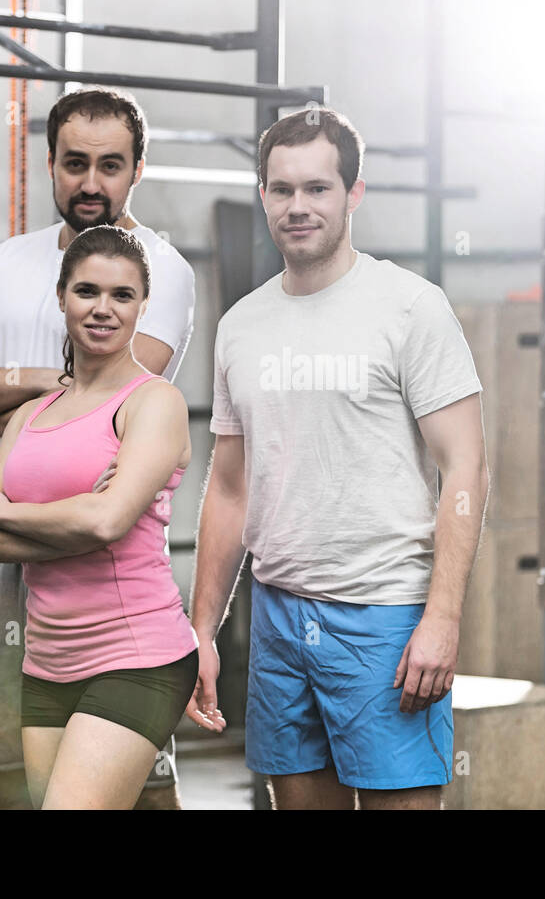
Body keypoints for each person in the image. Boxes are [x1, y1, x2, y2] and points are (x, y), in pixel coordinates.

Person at [187, 108, 489, 809]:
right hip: (279, 615)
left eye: (318, 188)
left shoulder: (410, 308)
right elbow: (229, 487)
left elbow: (466, 469)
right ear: (262, 195)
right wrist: (202, 628)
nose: (299, 206)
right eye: (282, 189)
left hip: (384, 614)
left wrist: (441, 617)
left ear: (353, 194)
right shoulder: (241, 326)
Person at [0, 87, 195, 809]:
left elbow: (116, 402)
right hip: (12, 576)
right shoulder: (9, 262)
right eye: (75, 163)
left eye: (111, 165)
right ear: (49, 164)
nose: (92, 183)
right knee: (9, 769)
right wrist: (45, 384)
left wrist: (9, 486)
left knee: (134, 789)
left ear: (138, 168)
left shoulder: (158, 269)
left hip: (105, 575)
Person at [0, 224, 197, 809]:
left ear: (143, 307)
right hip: (46, 664)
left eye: (123, 296)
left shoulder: (153, 403)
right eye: (87, 291)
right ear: (61, 297)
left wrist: (8, 512)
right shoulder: (30, 415)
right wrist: (77, 517)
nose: (103, 309)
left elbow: (106, 524)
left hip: (136, 655)